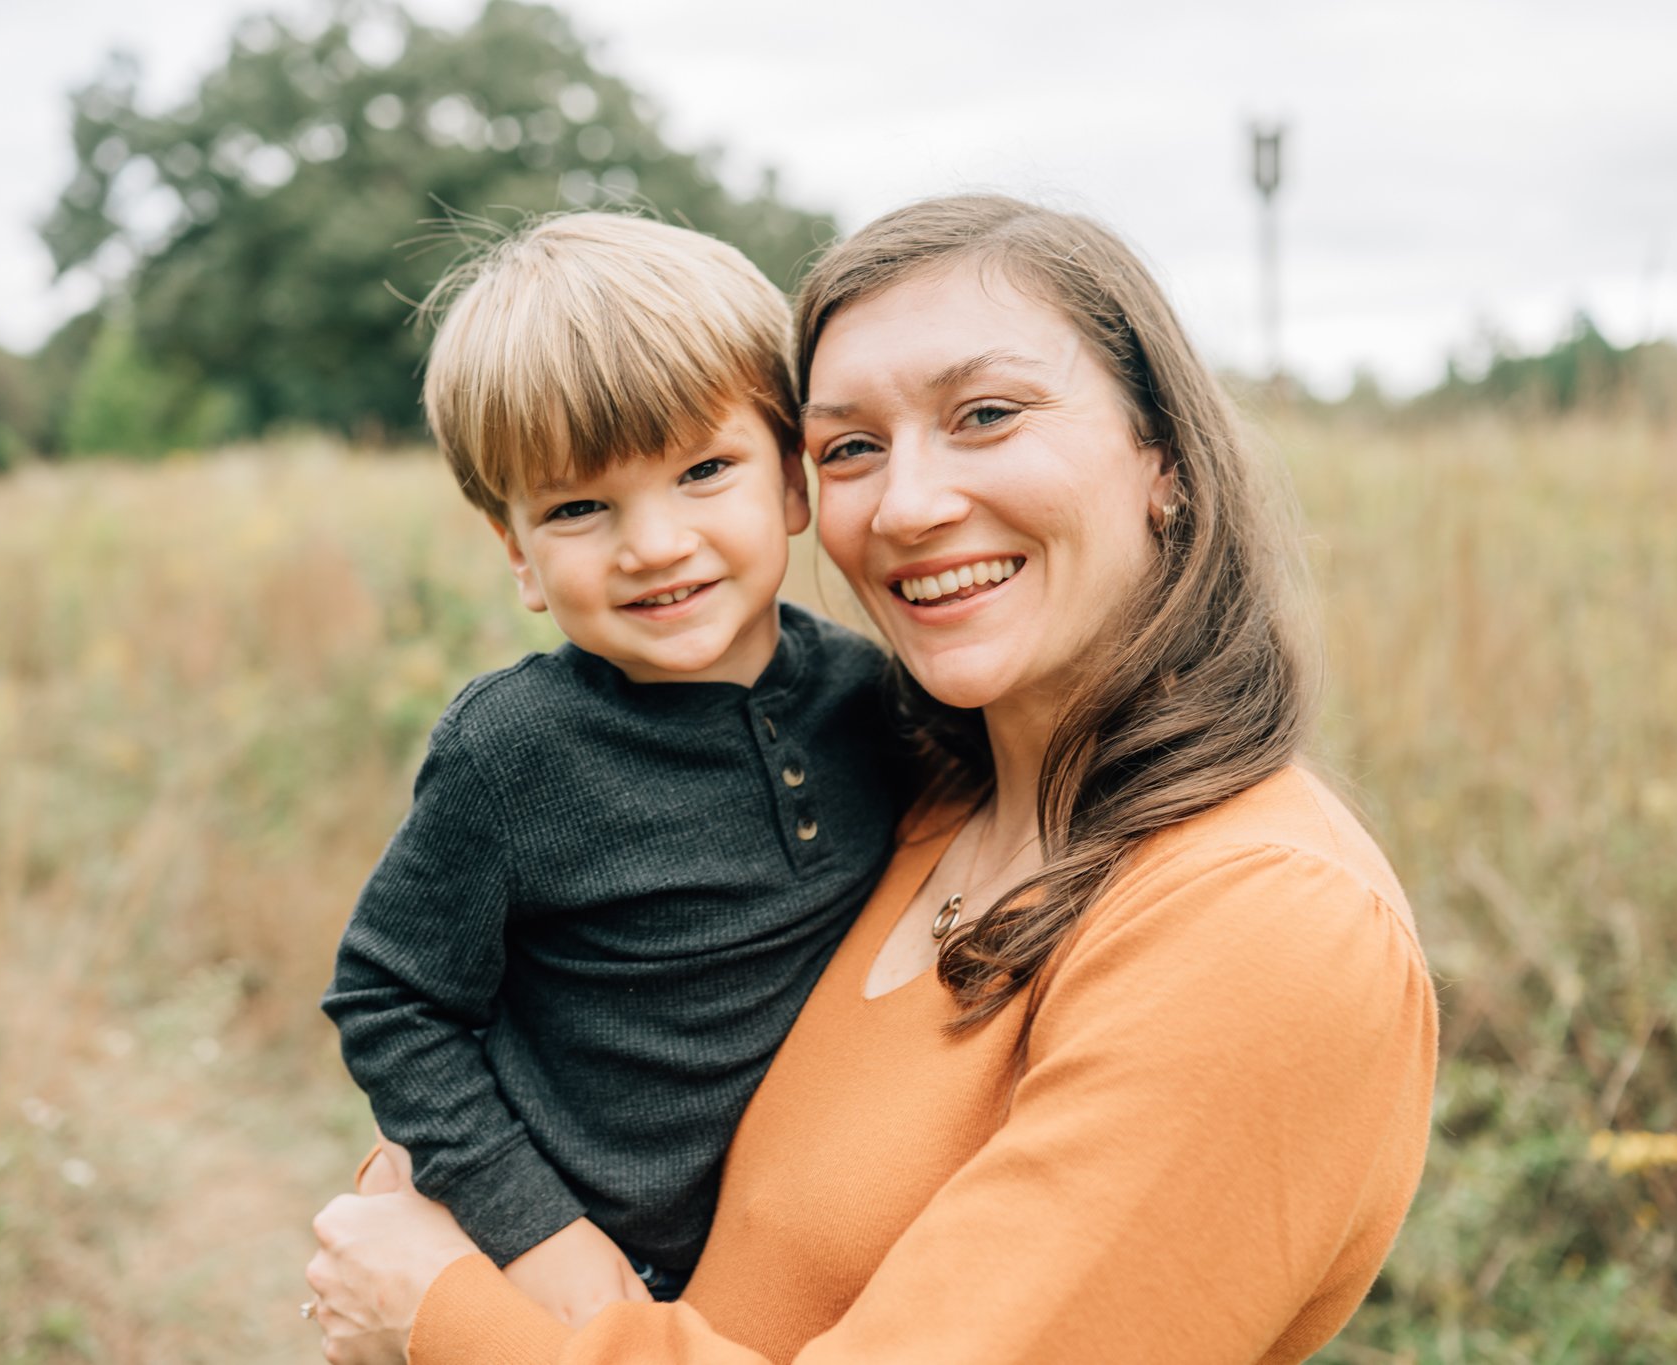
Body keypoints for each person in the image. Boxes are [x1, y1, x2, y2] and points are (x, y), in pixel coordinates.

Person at [306, 194, 1439, 1365]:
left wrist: (437, 1314)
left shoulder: (1267, 927)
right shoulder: (920, 789)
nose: (906, 505)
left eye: (987, 415)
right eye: (850, 444)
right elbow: (467, 1025)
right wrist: (479, 1221)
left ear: (1164, 458)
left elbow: (432, 1286)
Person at [320, 213, 900, 1329]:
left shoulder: (872, 699)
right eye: (579, 507)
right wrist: (543, 1240)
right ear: (517, 553)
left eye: (703, 472)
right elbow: (391, 999)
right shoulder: (511, 753)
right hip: (555, 1286)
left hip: (783, 1289)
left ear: (791, 481)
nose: (651, 544)